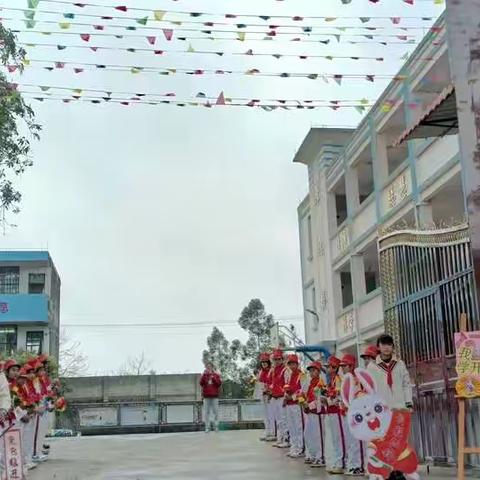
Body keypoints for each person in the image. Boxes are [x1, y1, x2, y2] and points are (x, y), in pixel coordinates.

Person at [367, 334, 413, 410]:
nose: (386, 347)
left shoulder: (400, 364)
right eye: (383, 344)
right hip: (382, 409)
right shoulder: (372, 367)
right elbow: (370, 389)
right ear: (378, 347)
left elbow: (406, 384)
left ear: (393, 347)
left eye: (389, 344)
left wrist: (408, 403)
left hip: (400, 406)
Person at [340, 354, 364, 476]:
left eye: (345, 366)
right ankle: (353, 464)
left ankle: (358, 466)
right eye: (342, 366)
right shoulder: (346, 379)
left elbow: (359, 395)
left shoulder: (356, 379)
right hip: (346, 413)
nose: (342, 368)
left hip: (355, 414)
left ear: (351, 366)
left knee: (356, 441)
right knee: (350, 440)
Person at [323, 356, 345, 475]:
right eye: (327, 367)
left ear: (335, 368)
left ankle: (340, 463)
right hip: (331, 411)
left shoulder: (338, 379)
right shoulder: (331, 379)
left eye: (329, 367)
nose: (327, 369)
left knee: (338, 438)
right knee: (334, 438)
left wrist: (328, 400)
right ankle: (337, 462)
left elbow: (338, 396)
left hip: (337, 412)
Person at [302, 361, 325, 468]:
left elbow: (319, 400)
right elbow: (307, 397)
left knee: (318, 435)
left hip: (318, 413)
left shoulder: (321, 382)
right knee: (308, 434)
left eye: (314, 370)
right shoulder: (311, 382)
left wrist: (308, 405)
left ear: (319, 371)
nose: (311, 372)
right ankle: (314, 455)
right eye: (310, 370)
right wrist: (303, 402)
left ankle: (320, 458)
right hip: (310, 412)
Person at [283, 354, 304, 458]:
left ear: (297, 364)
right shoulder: (290, 375)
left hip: (297, 405)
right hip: (289, 404)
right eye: (290, 364)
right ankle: (293, 447)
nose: (292, 366)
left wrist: (292, 397)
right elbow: (287, 388)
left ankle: (299, 448)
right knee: (291, 427)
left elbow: (302, 390)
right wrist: (286, 396)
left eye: (293, 364)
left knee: (298, 427)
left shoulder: (301, 375)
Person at [268, 349, 289, 448]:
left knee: (284, 419)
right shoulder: (273, 370)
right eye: (275, 359)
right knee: (278, 419)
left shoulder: (285, 370)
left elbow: (287, 385)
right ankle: (280, 438)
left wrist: (285, 397)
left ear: (282, 359)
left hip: (281, 398)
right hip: (274, 397)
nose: (277, 361)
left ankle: (286, 439)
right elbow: (272, 383)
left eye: (279, 359)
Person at [255, 352, 275, 442]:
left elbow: (274, 383)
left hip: (270, 396)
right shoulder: (261, 372)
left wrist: (268, 389)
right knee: (265, 415)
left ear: (269, 362)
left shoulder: (272, 371)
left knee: (271, 415)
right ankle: (267, 430)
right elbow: (259, 383)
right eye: (262, 362)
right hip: (263, 395)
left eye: (265, 361)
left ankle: (272, 432)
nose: (264, 363)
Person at [199, 362, 222, 433]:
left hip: (214, 396)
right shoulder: (204, 375)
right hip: (206, 396)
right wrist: (204, 375)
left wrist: (213, 377)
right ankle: (207, 427)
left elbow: (219, 384)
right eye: (207, 367)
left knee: (216, 412)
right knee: (206, 412)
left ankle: (216, 426)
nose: (208, 368)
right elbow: (201, 383)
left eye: (210, 367)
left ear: (212, 367)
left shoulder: (216, 375)